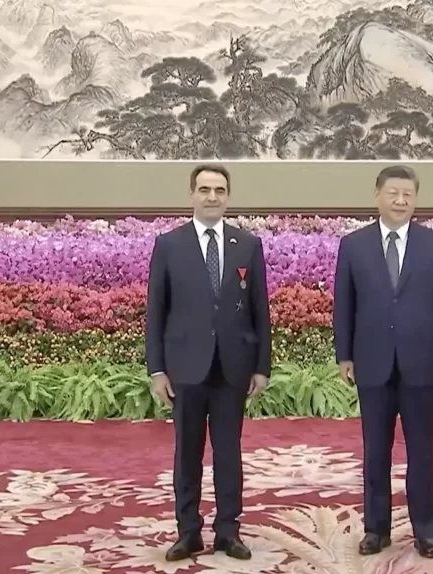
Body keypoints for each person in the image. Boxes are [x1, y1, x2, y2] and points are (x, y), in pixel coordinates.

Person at [333, 165, 433, 559]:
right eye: (393, 193)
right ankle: (376, 529)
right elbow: (344, 305)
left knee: (422, 452)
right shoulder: (353, 245)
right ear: (377, 196)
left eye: (408, 194)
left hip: (422, 363)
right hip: (372, 363)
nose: (401, 201)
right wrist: (344, 355)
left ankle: (425, 531)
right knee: (375, 451)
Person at [145, 164, 272, 562]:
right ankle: (188, 532)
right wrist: (156, 369)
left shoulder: (247, 245)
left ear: (228, 196)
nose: (212, 196)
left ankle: (228, 531)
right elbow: (156, 311)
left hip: (233, 367)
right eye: (204, 189)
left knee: (228, 454)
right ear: (192, 194)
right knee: (187, 453)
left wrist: (262, 367)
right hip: (185, 367)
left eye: (219, 190)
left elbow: (260, 310)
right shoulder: (170, 245)